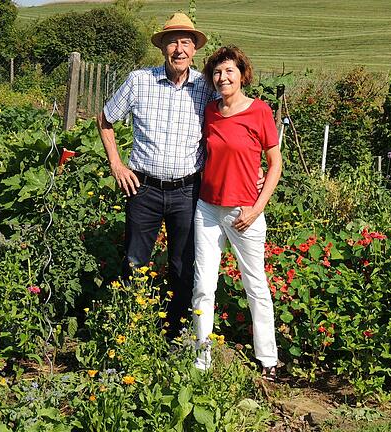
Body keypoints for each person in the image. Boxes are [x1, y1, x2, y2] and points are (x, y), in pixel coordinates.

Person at [97, 12, 212, 338]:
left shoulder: (205, 88)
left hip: (187, 192)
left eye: (186, 43)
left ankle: (174, 334)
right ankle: (127, 331)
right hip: (143, 189)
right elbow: (105, 120)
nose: (179, 49)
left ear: (194, 50)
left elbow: (230, 124)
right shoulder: (139, 81)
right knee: (134, 262)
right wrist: (117, 165)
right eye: (173, 42)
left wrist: (254, 166)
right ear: (162, 47)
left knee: (181, 266)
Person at [191, 46, 282, 381]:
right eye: (217, 72)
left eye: (229, 71)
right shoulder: (210, 112)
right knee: (203, 285)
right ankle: (202, 359)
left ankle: (268, 359)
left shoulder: (259, 112)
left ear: (243, 75)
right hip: (208, 209)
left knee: (255, 285)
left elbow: (275, 165)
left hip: (245, 212)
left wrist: (257, 209)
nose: (222, 77)